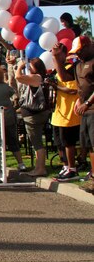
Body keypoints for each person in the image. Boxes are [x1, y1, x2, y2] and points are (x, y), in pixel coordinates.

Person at [53, 35, 94, 190]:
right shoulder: (78, 64)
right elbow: (64, 77)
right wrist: (56, 57)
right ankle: (92, 174)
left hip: (91, 108)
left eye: (80, 51)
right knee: (89, 145)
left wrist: (88, 102)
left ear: (89, 46)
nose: (78, 54)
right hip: (85, 110)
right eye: (76, 52)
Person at [46, 51, 81, 182]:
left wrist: (55, 86)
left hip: (69, 112)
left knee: (68, 143)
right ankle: (66, 166)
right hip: (58, 111)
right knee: (60, 143)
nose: (53, 57)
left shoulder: (71, 69)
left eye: (55, 55)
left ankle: (72, 169)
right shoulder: (56, 71)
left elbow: (73, 90)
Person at [13, 57, 51, 177]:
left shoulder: (37, 77)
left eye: (31, 66)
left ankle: (40, 168)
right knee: (36, 142)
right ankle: (38, 167)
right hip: (35, 115)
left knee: (37, 143)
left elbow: (18, 77)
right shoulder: (40, 78)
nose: (28, 68)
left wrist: (20, 66)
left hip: (34, 115)